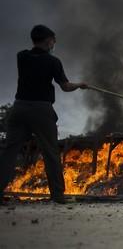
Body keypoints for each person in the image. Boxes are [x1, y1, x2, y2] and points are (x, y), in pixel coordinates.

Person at [0, 25, 87, 204]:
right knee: (50, 152)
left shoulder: (21, 56)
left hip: (18, 109)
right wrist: (80, 84)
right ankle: (58, 196)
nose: (54, 43)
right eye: (53, 40)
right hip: (41, 110)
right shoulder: (53, 62)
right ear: (48, 40)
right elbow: (65, 87)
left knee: (9, 152)